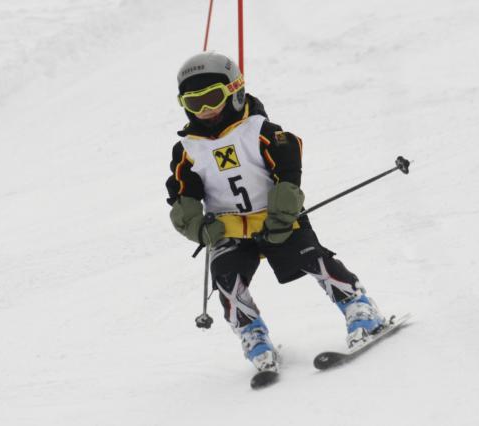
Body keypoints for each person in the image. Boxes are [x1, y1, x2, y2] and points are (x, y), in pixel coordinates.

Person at [165, 51, 385, 373]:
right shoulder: (188, 149)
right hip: (228, 228)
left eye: (212, 98)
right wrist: (196, 225)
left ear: (234, 91)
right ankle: (252, 334)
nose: (205, 110)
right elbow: (183, 192)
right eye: (194, 103)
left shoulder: (259, 130)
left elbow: (288, 169)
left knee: (312, 258)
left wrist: (283, 213)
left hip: (275, 219)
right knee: (226, 280)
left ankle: (359, 306)